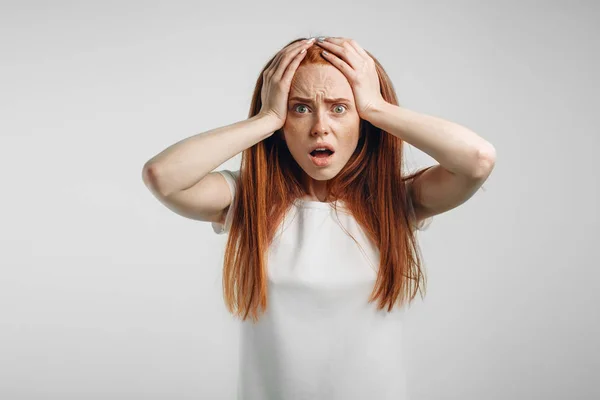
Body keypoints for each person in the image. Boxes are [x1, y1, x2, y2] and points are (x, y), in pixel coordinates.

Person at [142, 35, 496, 400]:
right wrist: (266, 119)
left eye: (340, 108)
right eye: (300, 108)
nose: (319, 127)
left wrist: (375, 105)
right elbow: (163, 177)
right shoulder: (247, 198)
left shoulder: (396, 199)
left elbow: (477, 160)